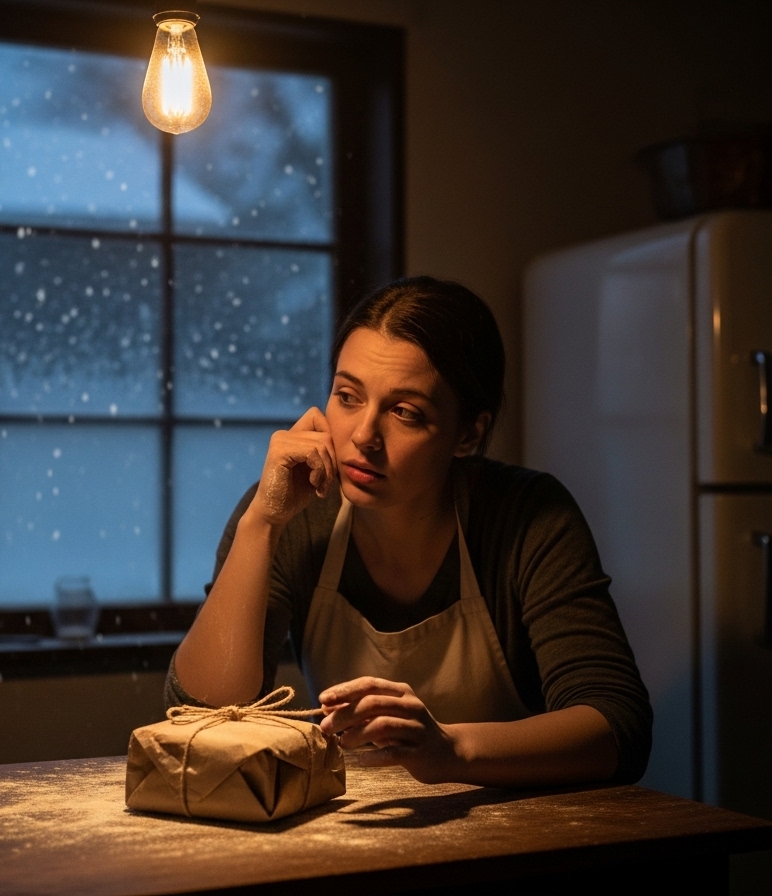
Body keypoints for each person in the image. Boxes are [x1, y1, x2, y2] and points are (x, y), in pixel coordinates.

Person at [167, 276, 651, 787]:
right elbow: (198, 719)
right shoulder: (297, 511)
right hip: (363, 829)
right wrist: (261, 525)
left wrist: (451, 750)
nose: (363, 435)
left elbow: (619, 727)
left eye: (405, 412)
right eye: (347, 396)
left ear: (469, 434)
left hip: (522, 837)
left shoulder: (527, 516)